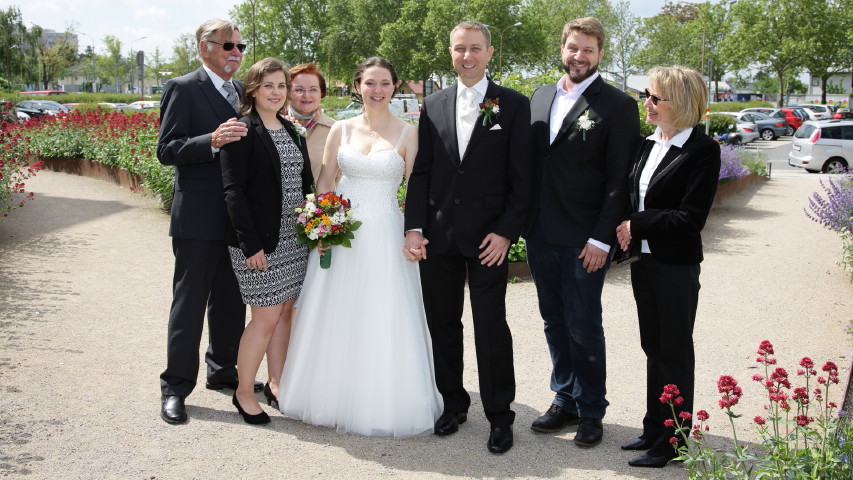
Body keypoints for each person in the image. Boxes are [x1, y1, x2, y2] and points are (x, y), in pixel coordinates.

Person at [279, 57, 442, 438]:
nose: (377, 90)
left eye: (385, 82)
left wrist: (414, 231)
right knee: (338, 311)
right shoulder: (341, 128)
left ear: (395, 86)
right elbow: (325, 180)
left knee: (382, 313)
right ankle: (331, 394)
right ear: (357, 85)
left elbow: (417, 188)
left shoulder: (408, 133)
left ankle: (381, 397)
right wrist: (324, 226)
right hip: (342, 234)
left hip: (386, 233)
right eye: (370, 82)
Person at [403, 21, 531, 454]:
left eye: (475, 48)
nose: (467, 56)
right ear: (451, 52)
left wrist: (506, 233)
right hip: (439, 237)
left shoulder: (511, 105)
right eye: (460, 49)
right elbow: (422, 173)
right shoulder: (433, 103)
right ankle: (452, 403)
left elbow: (522, 179)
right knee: (443, 324)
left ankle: (500, 415)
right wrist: (415, 228)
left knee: (491, 326)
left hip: (488, 240)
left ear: (490, 52)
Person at [525, 17, 640, 447]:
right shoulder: (539, 97)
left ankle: (592, 408)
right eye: (573, 48)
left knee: (584, 324)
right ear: (563, 48)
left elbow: (618, 180)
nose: (579, 56)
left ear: (600, 55)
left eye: (588, 50)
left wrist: (601, 238)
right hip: (539, 233)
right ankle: (565, 398)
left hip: (584, 238)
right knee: (553, 320)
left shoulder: (617, 105)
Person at [615, 65, 720, 468]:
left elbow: (690, 217)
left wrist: (635, 223)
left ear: (680, 103)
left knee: (674, 352)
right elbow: (633, 197)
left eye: (656, 97)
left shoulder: (702, 151)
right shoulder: (647, 143)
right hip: (645, 262)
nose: (648, 103)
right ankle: (654, 426)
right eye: (648, 95)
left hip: (675, 266)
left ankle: (673, 441)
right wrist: (625, 224)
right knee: (653, 348)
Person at [157, 19, 251, 425]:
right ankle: (176, 388)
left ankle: (222, 371)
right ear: (204, 47)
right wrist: (210, 141)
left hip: (237, 218)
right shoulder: (183, 88)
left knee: (231, 302)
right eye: (227, 45)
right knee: (190, 304)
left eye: (240, 46)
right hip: (197, 217)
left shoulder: (245, 92)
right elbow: (167, 149)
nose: (236, 52)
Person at [220, 58, 313, 424]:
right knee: (265, 317)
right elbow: (233, 192)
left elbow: (301, 185)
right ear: (253, 89)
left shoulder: (291, 130)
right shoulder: (241, 130)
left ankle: (277, 385)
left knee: (285, 313)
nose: (277, 93)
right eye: (269, 85)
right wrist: (251, 245)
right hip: (259, 243)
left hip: (293, 240)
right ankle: (244, 392)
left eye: (282, 86)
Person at [286, 63, 336, 183]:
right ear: (288, 92)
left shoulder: (335, 130)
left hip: (321, 200)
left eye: (313, 89)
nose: (306, 95)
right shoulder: (274, 125)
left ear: (322, 93)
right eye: (299, 90)